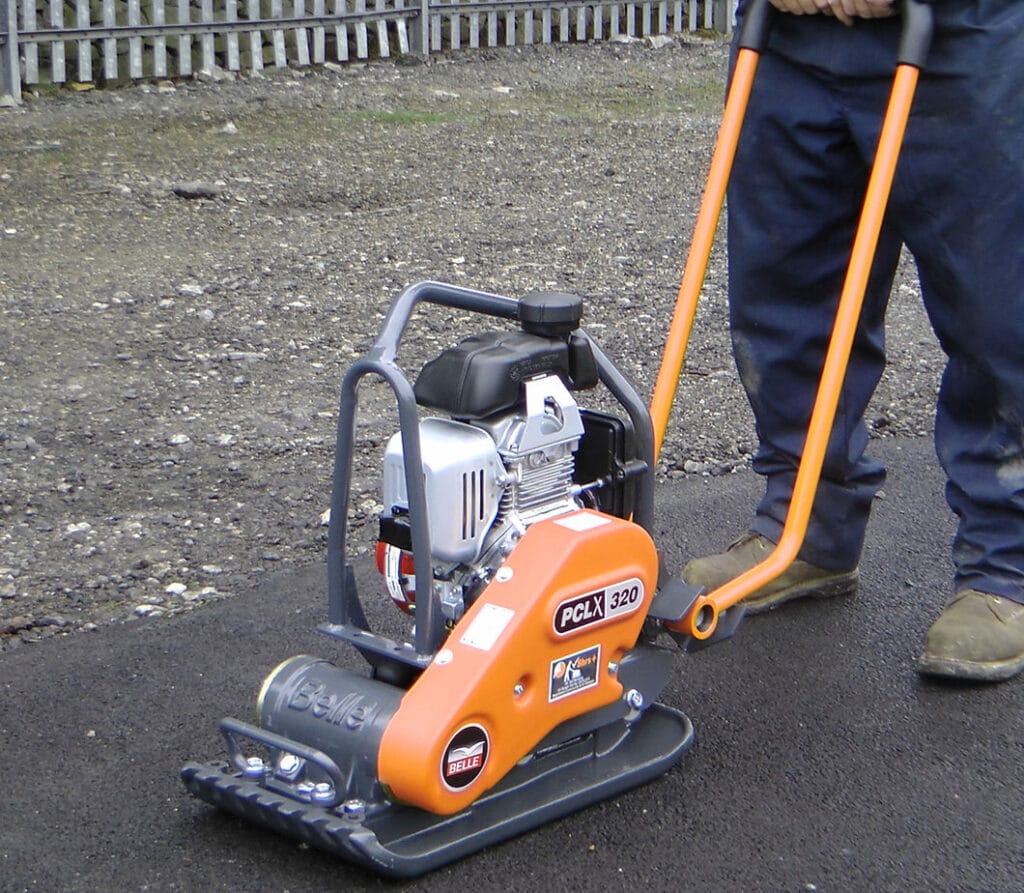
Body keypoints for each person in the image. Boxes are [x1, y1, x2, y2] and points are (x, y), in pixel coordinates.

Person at [682, 0, 1024, 681]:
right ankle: (807, 526)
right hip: (787, 31)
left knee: (993, 309)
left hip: (962, 33)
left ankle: (1005, 563)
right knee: (784, 292)